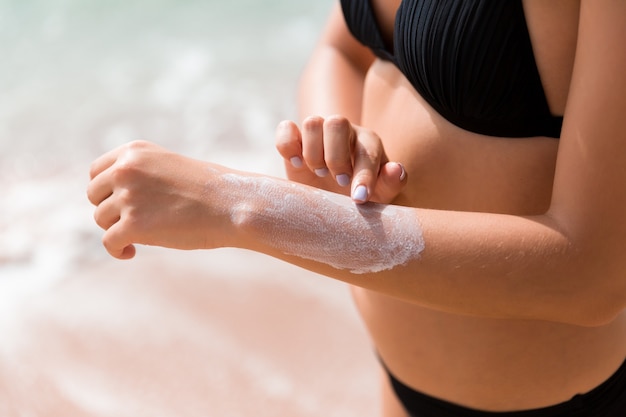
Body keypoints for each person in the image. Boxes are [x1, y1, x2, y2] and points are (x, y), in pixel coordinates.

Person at [87, 0, 626, 415]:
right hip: (398, 379)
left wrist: (237, 204)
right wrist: (337, 156)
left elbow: (592, 274)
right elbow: (341, 49)